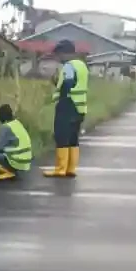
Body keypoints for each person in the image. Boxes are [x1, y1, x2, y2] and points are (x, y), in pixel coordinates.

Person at [42, 38, 88, 177]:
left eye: (59, 54)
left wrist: (60, 93)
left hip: (67, 105)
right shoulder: (82, 65)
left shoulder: (68, 66)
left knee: (61, 136)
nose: (58, 57)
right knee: (73, 138)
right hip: (79, 107)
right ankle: (71, 168)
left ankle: (60, 169)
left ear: (65, 52)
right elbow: (77, 84)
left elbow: (68, 84)